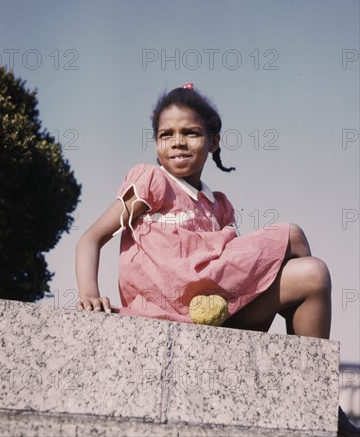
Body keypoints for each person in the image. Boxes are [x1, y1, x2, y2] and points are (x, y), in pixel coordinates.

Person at [75, 84, 359, 436]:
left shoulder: (218, 203)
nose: (178, 142)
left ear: (214, 141)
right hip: (164, 306)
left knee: (313, 274)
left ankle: (314, 396)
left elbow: (231, 267)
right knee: (294, 235)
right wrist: (89, 291)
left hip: (212, 310)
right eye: (167, 135)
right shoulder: (152, 181)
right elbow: (91, 238)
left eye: (191, 133)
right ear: (156, 145)